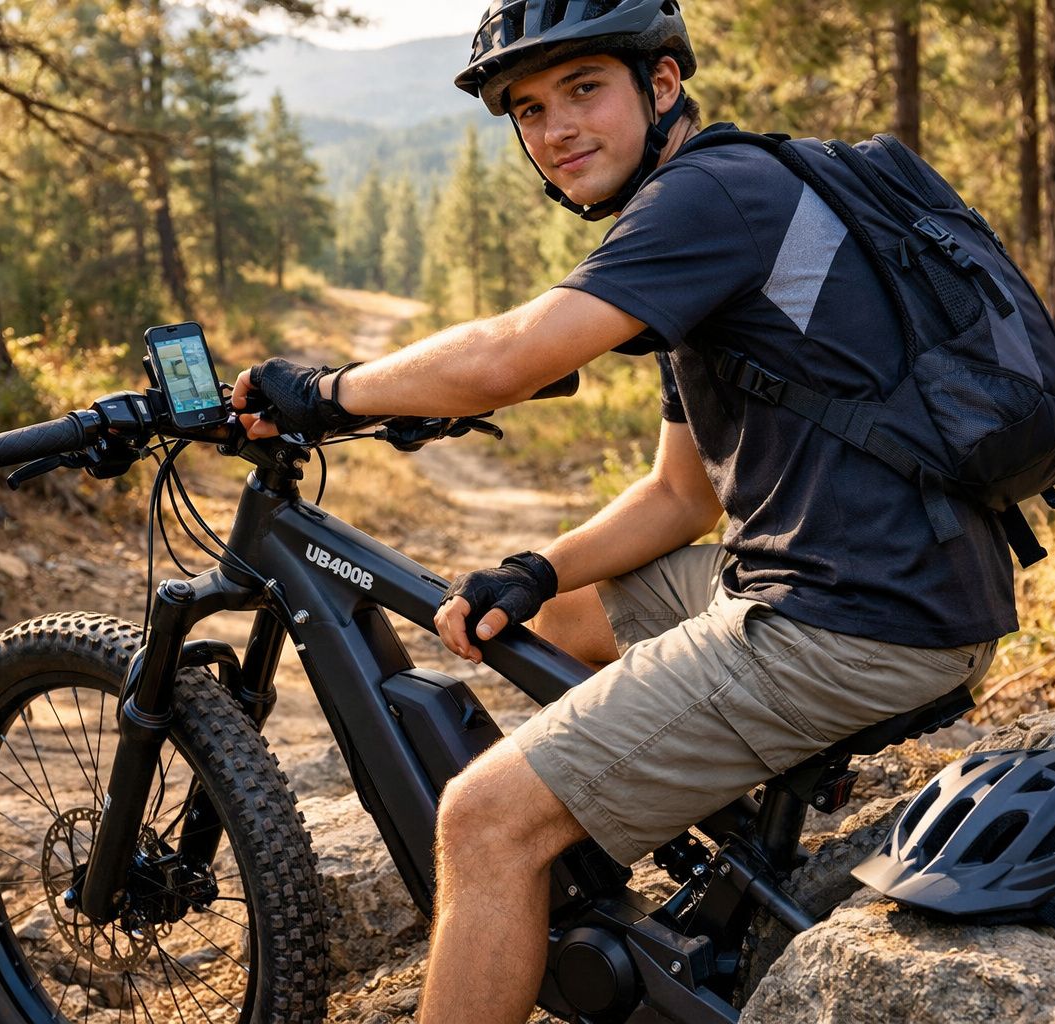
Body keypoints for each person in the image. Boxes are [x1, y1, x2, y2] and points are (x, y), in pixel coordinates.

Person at [232, 2, 1014, 1020]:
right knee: (559, 619)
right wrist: (541, 570)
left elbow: (509, 357)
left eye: (584, 89)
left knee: (482, 819)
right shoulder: (736, 197)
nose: (557, 129)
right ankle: (678, 830)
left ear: (662, 84)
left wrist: (327, 390)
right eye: (529, 108)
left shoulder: (706, 199)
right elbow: (680, 496)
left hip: (852, 620)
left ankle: (535, 850)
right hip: (903, 586)